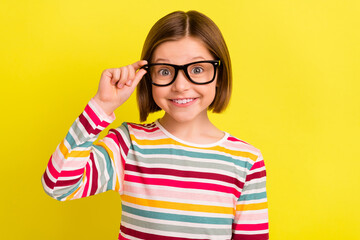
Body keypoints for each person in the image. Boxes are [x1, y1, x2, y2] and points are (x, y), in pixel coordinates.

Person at [41, 10, 269, 240]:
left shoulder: (246, 160)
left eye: (197, 69)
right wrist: (102, 106)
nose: (180, 85)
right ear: (147, 77)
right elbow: (58, 185)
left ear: (219, 74)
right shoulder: (128, 144)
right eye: (164, 71)